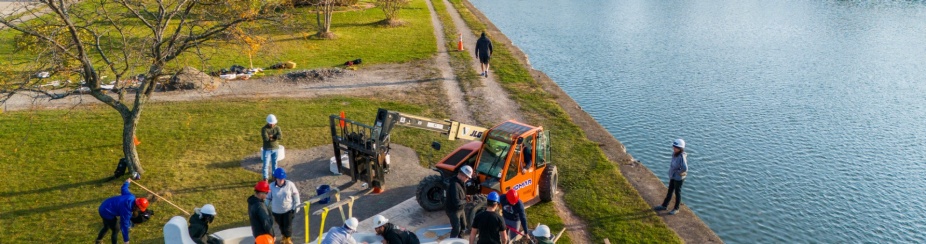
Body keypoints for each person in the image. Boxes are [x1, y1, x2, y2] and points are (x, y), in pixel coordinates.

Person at [95, 179, 149, 244]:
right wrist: (126, 241)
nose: (140, 210)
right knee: (116, 229)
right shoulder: (126, 210)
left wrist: (127, 182)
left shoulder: (131, 197)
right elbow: (124, 226)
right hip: (106, 212)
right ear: (136, 207)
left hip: (105, 205)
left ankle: (98, 240)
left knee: (107, 226)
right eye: (140, 209)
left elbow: (124, 189)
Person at [654, 138, 689, 215]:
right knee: (670, 191)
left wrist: (679, 172)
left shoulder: (681, 156)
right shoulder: (675, 154)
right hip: (673, 176)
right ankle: (664, 205)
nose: (674, 148)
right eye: (674, 147)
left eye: (676, 147)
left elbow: (685, 168)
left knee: (677, 192)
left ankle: (676, 208)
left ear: (680, 148)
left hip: (678, 178)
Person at [269, 168, 301, 244]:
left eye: (282, 178)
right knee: (281, 225)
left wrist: (297, 205)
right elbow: (268, 198)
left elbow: (295, 195)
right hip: (276, 211)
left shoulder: (290, 184)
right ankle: (284, 236)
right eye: (279, 179)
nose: (281, 180)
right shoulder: (271, 187)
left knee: (288, 226)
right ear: (275, 178)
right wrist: (266, 208)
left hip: (288, 210)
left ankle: (288, 239)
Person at [446, 165, 473, 238]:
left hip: (461, 209)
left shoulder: (460, 183)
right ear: (462, 175)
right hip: (454, 211)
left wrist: (465, 197)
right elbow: (456, 202)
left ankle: (460, 239)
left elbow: (460, 195)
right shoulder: (454, 185)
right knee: (456, 229)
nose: (467, 179)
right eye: (467, 177)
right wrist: (466, 200)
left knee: (463, 226)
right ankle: (452, 240)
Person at [261, 114, 283, 181]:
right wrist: (275, 136)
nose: (272, 125)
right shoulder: (264, 129)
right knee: (266, 165)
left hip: (275, 148)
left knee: (275, 164)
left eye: (273, 123)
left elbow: (280, 136)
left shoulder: (277, 128)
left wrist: (271, 136)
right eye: (270, 123)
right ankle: (265, 178)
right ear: (268, 122)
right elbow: (266, 138)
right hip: (267, 149)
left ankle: (274, 176)